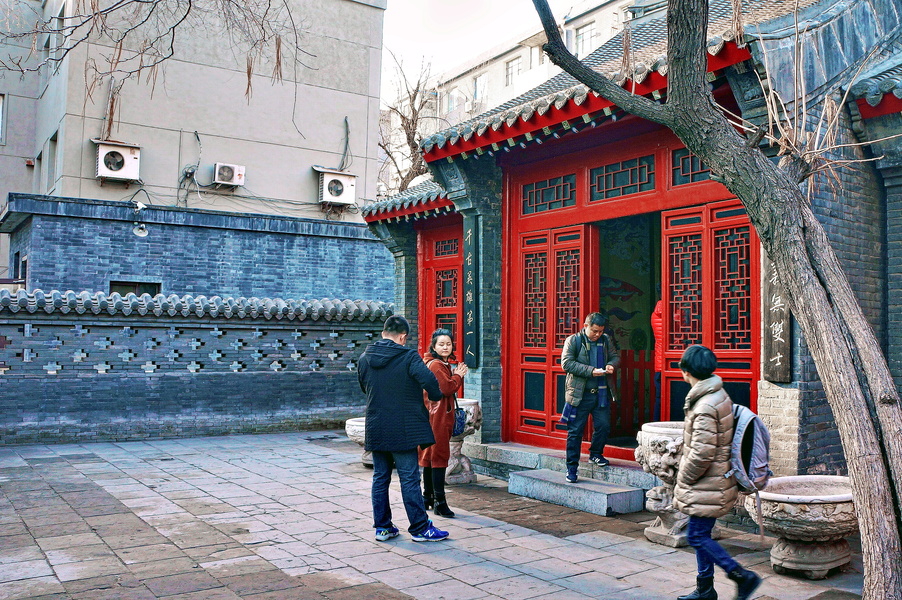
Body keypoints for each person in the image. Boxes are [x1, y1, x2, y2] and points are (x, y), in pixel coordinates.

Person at [674, 345, 761, 600]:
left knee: (697, 536)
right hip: (714, 479)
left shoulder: (704, 405)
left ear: (686, 371)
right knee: (700, 534)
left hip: (706, 482)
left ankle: (742, 576)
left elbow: (702, 453)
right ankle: (705, 589)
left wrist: (684, 477)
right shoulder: (717, 392)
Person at [357, 315, 450, 543]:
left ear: (383, 333)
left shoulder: (364, 358)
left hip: (376, 424)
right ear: (403, 337)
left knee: (380, 477)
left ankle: (382, 527)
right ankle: (419, 528)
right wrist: (436, 396)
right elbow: (431, 384)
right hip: (404, 426)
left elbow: (364, 387)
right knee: (409, 478)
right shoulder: (408, 356)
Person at [561, 312, 620, 483]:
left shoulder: (606, 340)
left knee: (603, 426)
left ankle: (595, 454)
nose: (598, 334)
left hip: (601, 392)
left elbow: (616, 357)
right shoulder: (574, 340)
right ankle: (572, 468)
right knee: (575, 432)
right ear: (586, 326)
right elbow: (566, 363)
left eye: (601, 331)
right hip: (580, 394)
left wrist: (611, 365)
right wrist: (590, 371)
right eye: (595, 331)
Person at [418, 328, 468, 518]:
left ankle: (427, 497)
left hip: (432, 416)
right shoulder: (437, 365)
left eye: (448, 344)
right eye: (441, 344)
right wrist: (459, 375)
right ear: (434, 345)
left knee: (431, 456)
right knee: (438, 457)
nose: (446, 347)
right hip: (436, 418)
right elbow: (446, 388)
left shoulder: (436, 363)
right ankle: (440, 502)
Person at [651, 297, 664, 421]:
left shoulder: (655, 314)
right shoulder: (671, 312)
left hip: (658, 364)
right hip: (669, 364)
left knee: (659, 399)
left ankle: (656, 424)